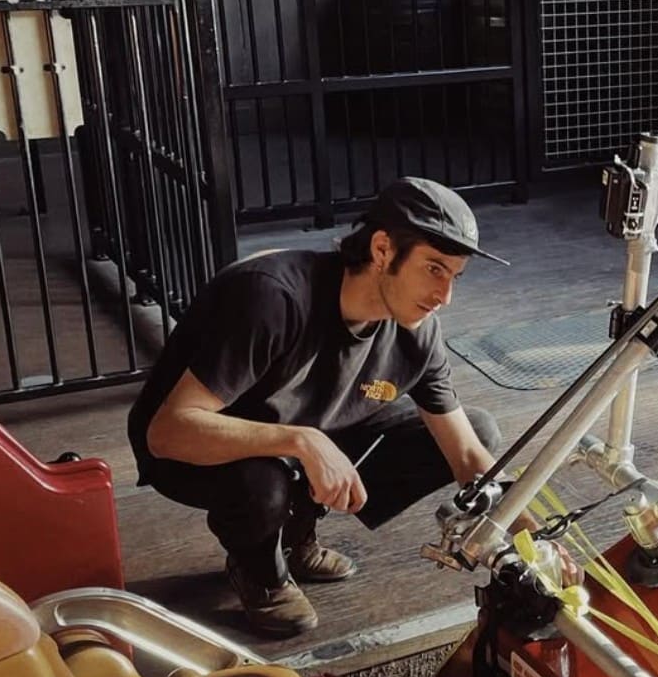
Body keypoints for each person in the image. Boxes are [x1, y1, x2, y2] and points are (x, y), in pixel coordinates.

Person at [129, 177, 525, 637]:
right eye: (434, 269)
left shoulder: (418, 331)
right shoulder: (273, 298)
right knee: (264, 481)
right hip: (195, 447)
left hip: (311, 428)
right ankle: (259, 569)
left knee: (481, 428)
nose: (445, 296)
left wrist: (539, 544)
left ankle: (297, 531)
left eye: (454, 276)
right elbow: (167, 433)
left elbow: (469, 458)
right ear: (382, 250)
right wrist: (303, 442)